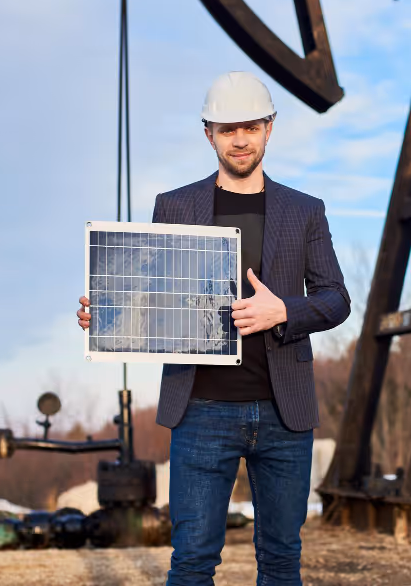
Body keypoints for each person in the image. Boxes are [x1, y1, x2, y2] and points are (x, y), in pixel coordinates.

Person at [77, 71, 350, 585]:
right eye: (228, 130)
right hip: (200, 409)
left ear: (270, 128)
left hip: (282, 411)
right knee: (193, 560)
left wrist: (283, 312)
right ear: (209, 134)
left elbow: (336, 299)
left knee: (280, 559)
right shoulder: (175, 206)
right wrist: (107, 316)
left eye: (250, 127)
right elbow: (152, 297)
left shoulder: (304, 211)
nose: (240, 139)